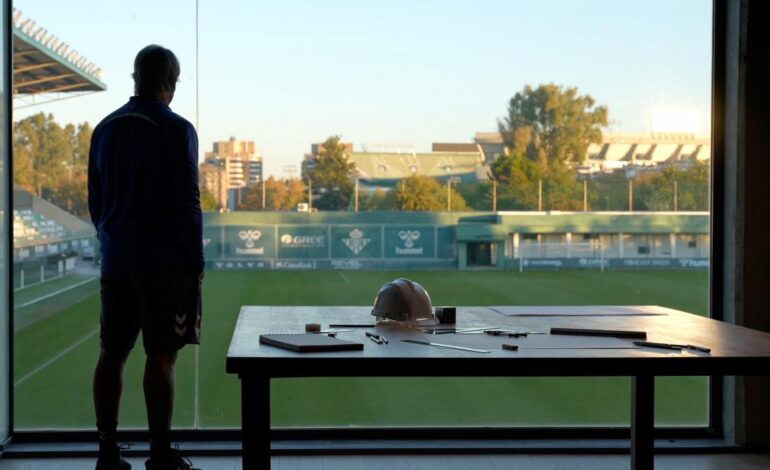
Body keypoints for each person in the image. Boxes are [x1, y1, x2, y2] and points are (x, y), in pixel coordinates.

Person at [89, 45, 204, 470]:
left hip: (116, 260)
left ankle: (106, 452)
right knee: (161, 356)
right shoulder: (178, 129)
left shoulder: (104, 128)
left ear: (136, 78)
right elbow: (189, 203)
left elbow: (96, 201)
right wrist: (195, 260)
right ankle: (159, 454)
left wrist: (112, 239)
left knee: (112, 354)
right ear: (171, 83)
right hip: (164, 266)